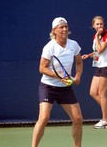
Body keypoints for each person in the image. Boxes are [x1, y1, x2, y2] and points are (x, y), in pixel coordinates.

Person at [32, 17, 83, 147]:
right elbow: (42, 68)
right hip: (48, 87)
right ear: (54, 30)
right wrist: (58, 76)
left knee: (78, 119)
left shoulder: (74, 45)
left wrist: (77, 76)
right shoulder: (49, 47)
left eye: (66, 26)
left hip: (65, 88)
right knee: (43, 118)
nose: (64, 29)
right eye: (61, 27)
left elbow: (79, 62)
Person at [82, 16, 107, 129]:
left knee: (102, 94)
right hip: (100, 67)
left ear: (104, 25)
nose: (99, 26)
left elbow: (101, 49)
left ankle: (105, 120)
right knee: (93, 92)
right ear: (93, 26)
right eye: (97, 24)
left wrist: (98, 37)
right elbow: (97, 52)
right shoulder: (96, 36)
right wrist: (89, 55)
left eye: (101, 24)